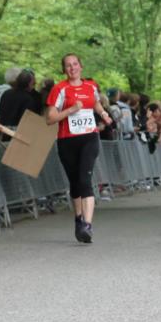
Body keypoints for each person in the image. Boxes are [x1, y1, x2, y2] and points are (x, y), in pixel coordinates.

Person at [45, 53, 113, 243]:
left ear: (81, 67)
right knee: (75, 182)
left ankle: (87, 226)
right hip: (67, 141)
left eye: (75, 64)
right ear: (64, 70)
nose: (72, 68)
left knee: (85, 179)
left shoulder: (91, 86)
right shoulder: (60, 89)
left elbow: (96, 104)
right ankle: (78, 219)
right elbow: (50, 119)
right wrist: (70, 110)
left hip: (89, 139)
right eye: (68, 65)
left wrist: (104, 114)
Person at [0, 69, 40, 136]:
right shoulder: (28, 99)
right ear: (28, 84)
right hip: (16, 135)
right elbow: (27, 122)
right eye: (33, 83)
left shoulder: (6, 93)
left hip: (3, 131)